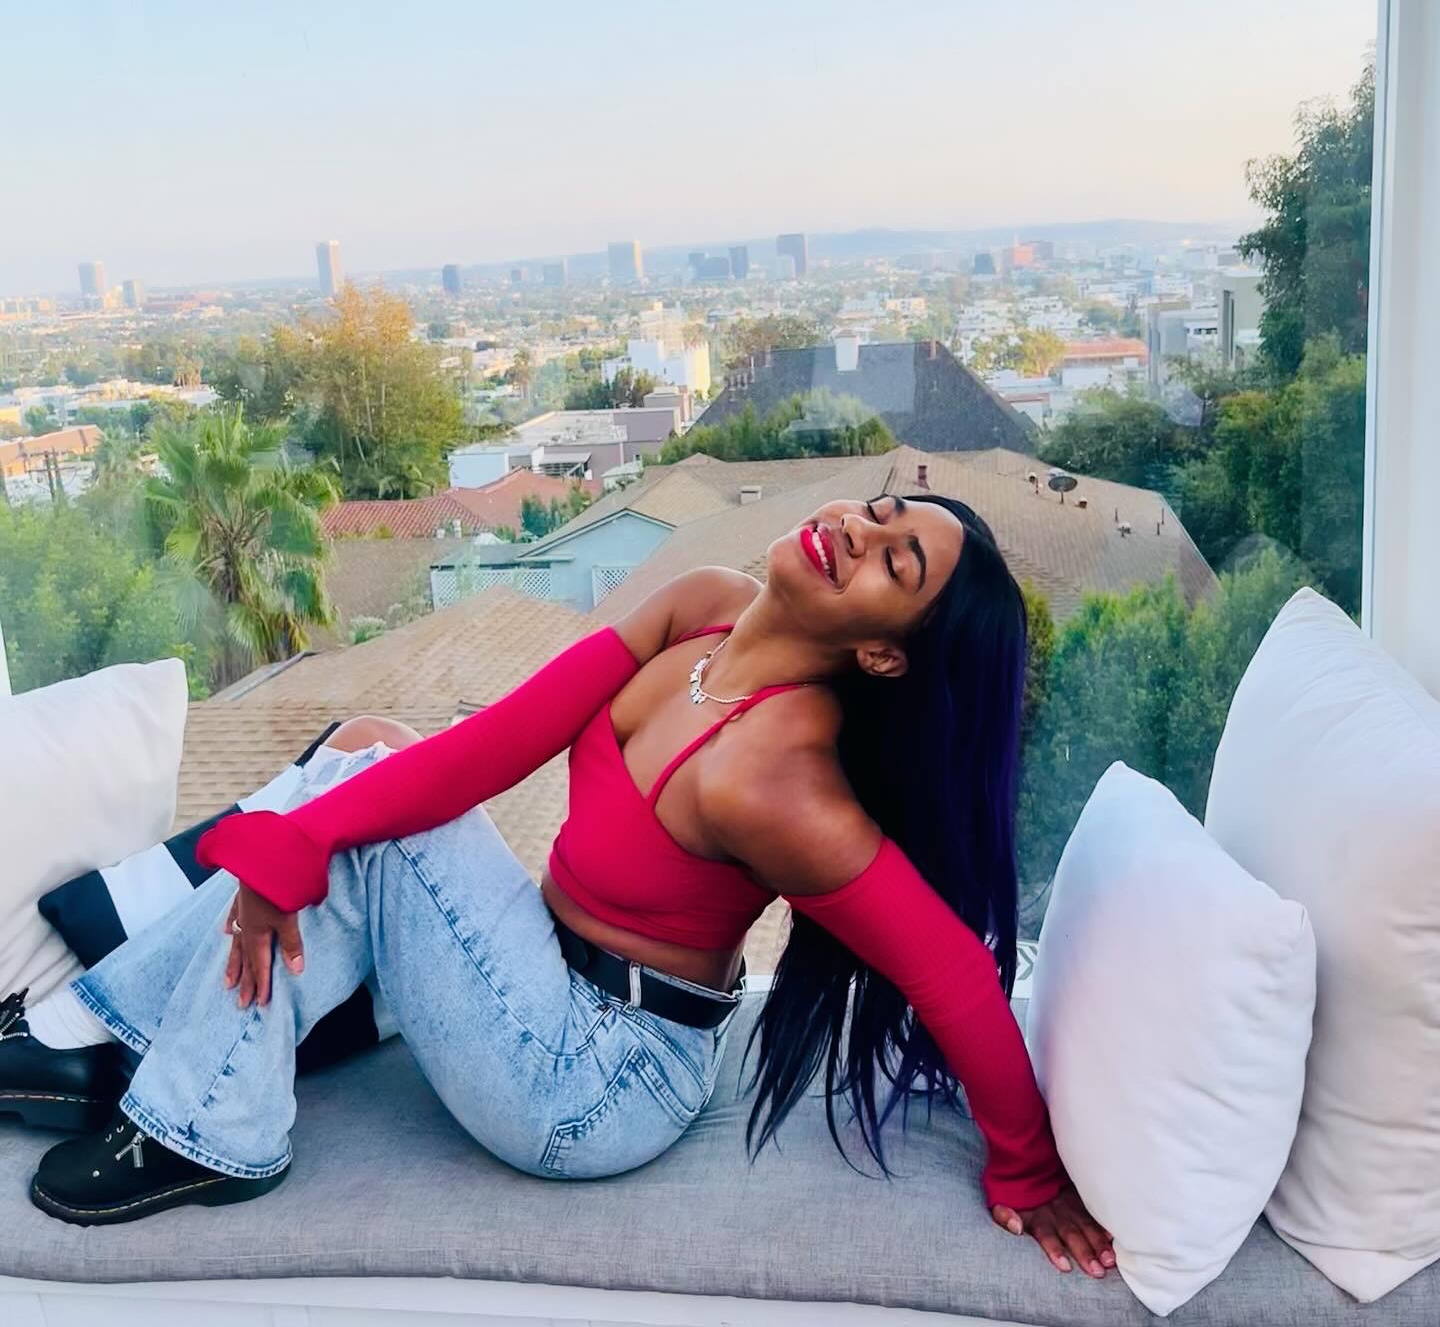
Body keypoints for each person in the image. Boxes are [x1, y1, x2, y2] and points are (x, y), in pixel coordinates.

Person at [8, 492, 1113, 1279]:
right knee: (373, 753)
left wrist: (1026, 1169)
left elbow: (951, 973)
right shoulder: (705, 606)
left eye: (893, 564)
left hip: (592, 1083)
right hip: (538, 979)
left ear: (883, 654)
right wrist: (294, 843)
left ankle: (204, 1130)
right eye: (878, 513)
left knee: (375, 825)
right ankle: (102, 1034)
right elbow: (492, 744)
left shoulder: (780, 782)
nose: (859, 534)